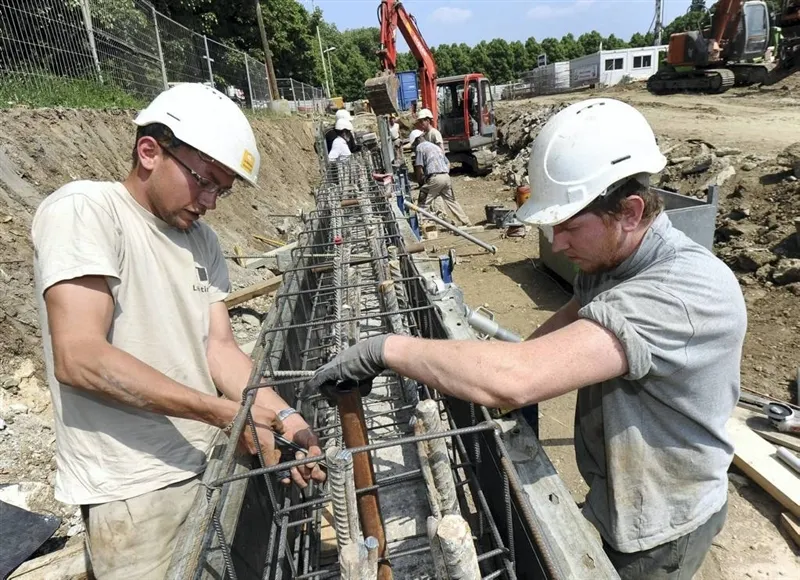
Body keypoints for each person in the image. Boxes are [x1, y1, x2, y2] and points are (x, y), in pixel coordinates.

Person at [307, 98, 747, 580]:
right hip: (620, 495)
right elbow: (541, 346)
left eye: (569, 226)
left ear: (630, 212)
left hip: (661, 528)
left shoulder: (679, 292)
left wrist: (386, 348)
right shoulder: (612, 262)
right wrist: (495, 367)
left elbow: (517, 378)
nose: (556, 242)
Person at [31, 83, 325, 579]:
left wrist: (287, 418)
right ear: (150, 152)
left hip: (207, 458)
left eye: (222, 190)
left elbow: (220, 349)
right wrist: (225, 415)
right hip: (135, 489)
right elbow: (79, 356)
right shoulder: (87, 210)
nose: (211, 201)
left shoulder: (201, 239)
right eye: (204, 181)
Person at [408, 129, 471, 227]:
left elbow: (419, 167)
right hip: (446, 177)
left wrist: (421, 180)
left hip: (435, 177)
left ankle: (422, 224)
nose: (414, 146)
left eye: (414, 144)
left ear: (417, 140)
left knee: (423, 201)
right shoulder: (435, 147)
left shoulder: (420, 148)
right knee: (452, 201)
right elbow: (447, 163)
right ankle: (466, 221)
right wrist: (443, 173)